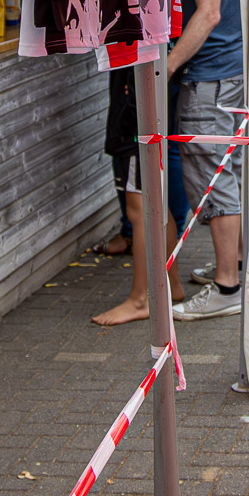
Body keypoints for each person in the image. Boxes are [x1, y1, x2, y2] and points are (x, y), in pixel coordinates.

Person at [169, 0, 246, 321]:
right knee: (226, 172)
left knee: (214, 181)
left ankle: (226, 286)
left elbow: (210, 11)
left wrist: (170, 64)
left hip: (210, 79)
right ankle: (230, 267)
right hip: (233, 74)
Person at [92, 69, 189, 327]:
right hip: (140, 107)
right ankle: (171, 285)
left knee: (142, 209)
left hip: (136, 116)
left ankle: (141, 300)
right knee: (154, 204)